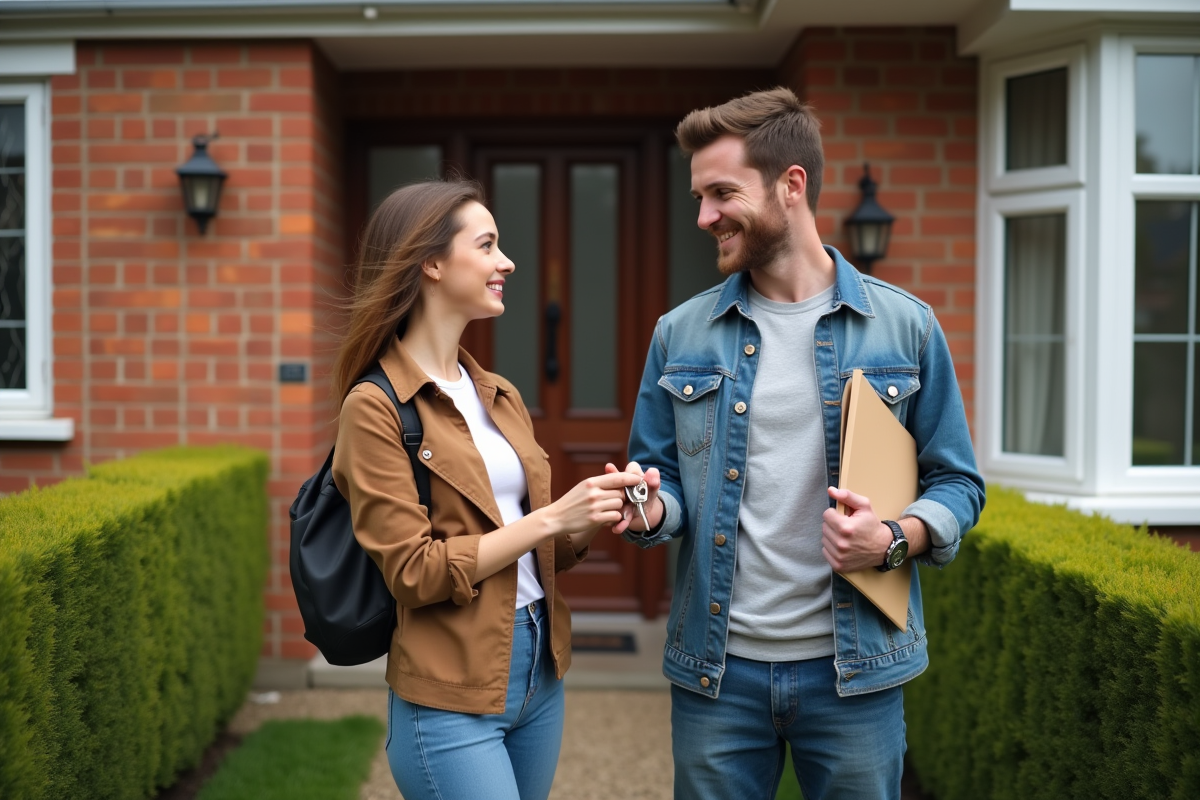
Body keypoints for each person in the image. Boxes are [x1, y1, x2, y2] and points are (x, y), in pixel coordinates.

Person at [609, 88, 986, 800]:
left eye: (721, 193)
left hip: (856, 674)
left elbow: (958, 484)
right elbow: (661, 479)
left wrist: (894, 540)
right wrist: (650, 511)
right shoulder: (678, 335)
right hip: (716, 674)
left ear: (792, 186)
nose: (703, 216)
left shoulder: (906, 328)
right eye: (698, 196)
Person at [331, 179, 643, 800]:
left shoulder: (497, 393)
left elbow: (538, 545)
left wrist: (591, 512)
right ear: (432, 263)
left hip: (539, 670)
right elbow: (414, 573)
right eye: (489, 244)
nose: (508, 262)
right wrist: (550, 520)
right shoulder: (374, 408)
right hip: (448, 687)